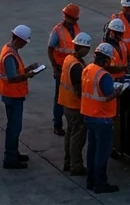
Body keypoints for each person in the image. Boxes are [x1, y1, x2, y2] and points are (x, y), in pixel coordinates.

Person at [82, 42, 128, 194]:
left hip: (89, 115)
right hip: (102, 118)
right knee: (102, 153)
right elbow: (108, 96)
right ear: (107, 60)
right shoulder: (104, 75)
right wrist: (118, 91)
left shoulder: (88, 69)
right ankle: (100, 184)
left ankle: (91, 181)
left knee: (92, 150)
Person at [0, 24, 42, 170]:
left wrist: (27, 69)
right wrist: (27, 75)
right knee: (14, 127)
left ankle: (13, 153)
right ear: (18, 39)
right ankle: (10, 157)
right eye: (24, 42)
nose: (25, 45)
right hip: (13, 95)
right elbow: (12, 78)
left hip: (12, 94)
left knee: (14, 126)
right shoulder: (9, 55)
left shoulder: (10, 50)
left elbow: (15, 71)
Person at [59, 32, 94, 176]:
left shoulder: (69, 58)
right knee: (77, 137)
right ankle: (76, 166)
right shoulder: (76, 66)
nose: (88, 50)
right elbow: (79, 89)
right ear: (82, 48)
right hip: (75, 106)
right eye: (87, 48)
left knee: (70, 134)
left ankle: (68, 162)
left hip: (66, 103)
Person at [47, 3, 81, 137]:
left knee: (72, 95)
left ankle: (70, 120)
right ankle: (57, 124)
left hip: (74, 66)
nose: (71, 20)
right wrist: (55, 67)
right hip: (61, 68)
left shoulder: (76, 28)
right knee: (59, 97)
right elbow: (50, 50)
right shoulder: (57, 31)